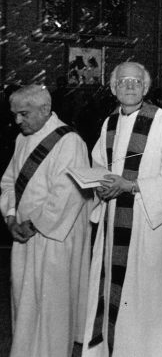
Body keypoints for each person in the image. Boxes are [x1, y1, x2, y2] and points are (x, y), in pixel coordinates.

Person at [81, 62, 162, 357]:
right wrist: (101, 187)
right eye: (122, 81)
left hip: (153, 226)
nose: (129, 86)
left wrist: (130, 186)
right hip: (118, 225)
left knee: (151, 302)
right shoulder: (108, 124)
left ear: (146, 88)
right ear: (112, 88)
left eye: (136, 82)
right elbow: (99, 166)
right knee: (118, 293)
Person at [0, 84, 91, 357]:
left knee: (52, 306)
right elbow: (9, 182)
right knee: (25, 302)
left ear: (45, 110)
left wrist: (33, 224)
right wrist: (11, 216)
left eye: (23, 114)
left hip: (53, 237)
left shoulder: (69, 142)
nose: (17, 121)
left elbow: (67, 194)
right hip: (23, 234)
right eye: (14, 114)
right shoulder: (22, 138)